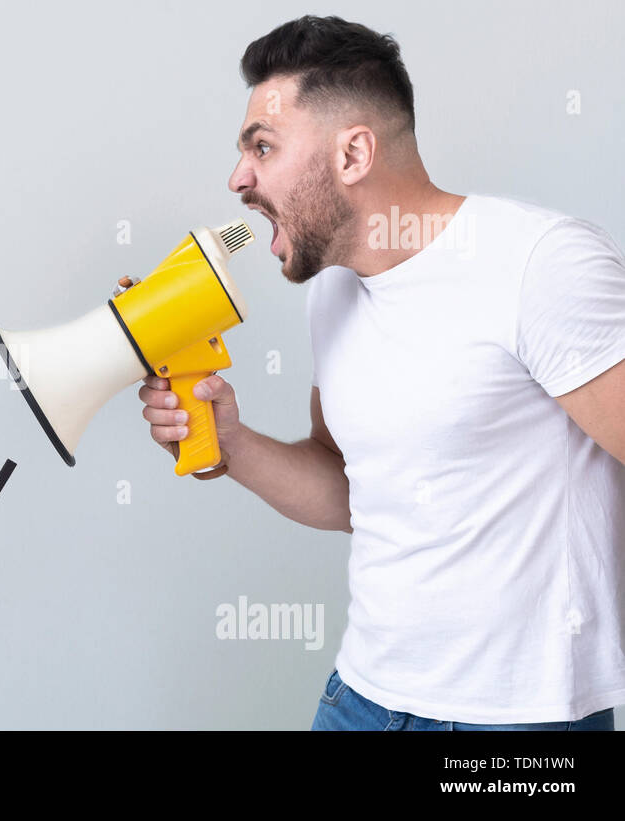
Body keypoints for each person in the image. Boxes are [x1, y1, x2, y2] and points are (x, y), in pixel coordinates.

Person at [137, 15, 625, 730]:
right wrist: (230, 443)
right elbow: (353, 491)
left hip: (519, 723)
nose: (238, 178)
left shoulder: (539, 264)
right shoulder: (334, 290)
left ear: (354, 153)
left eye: (262, 147)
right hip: (361, 700)